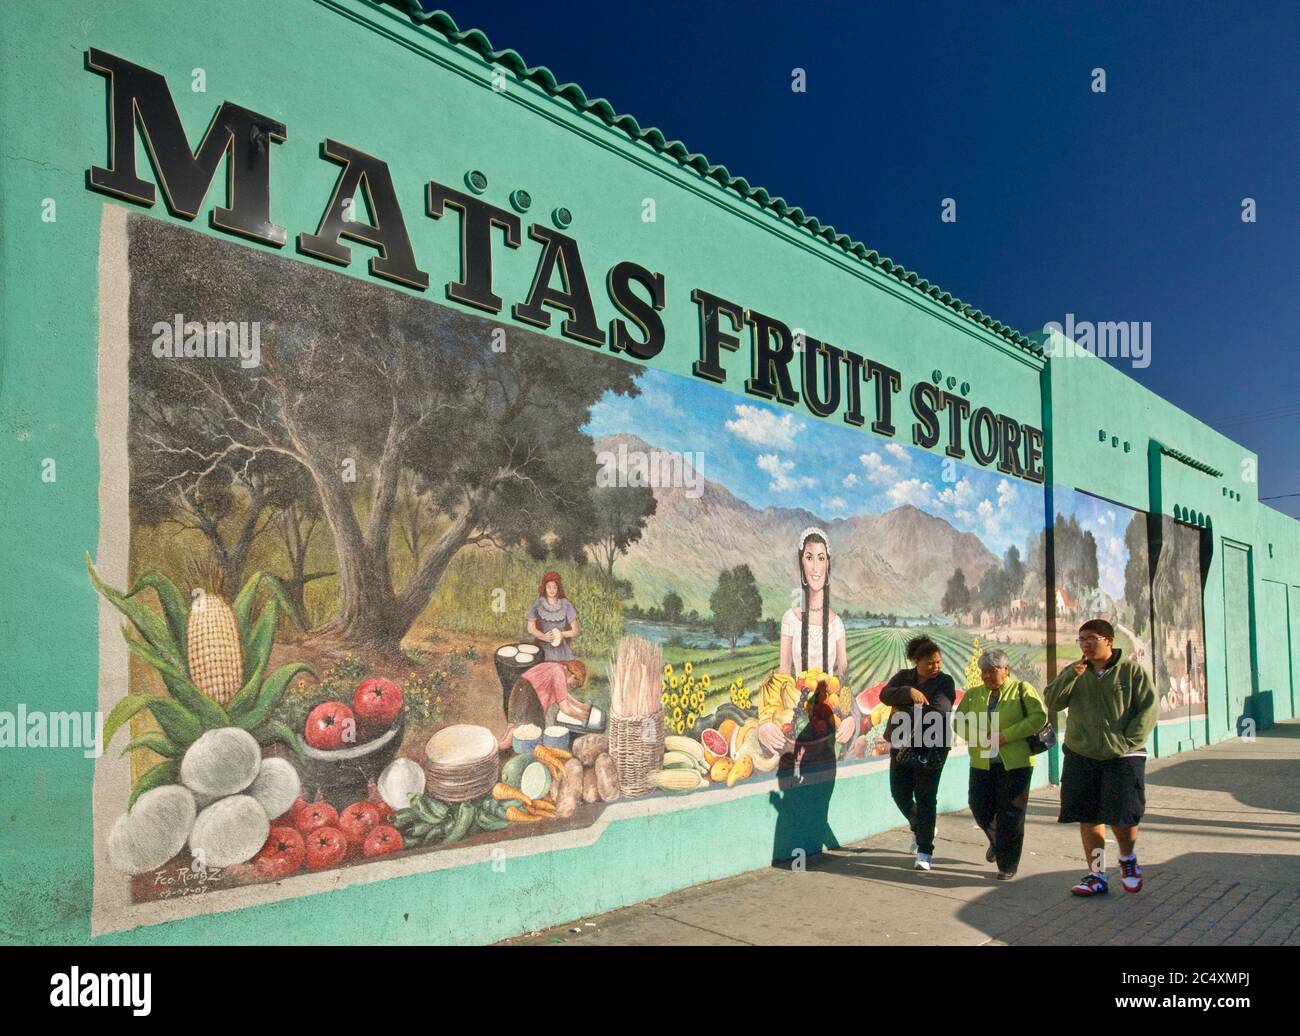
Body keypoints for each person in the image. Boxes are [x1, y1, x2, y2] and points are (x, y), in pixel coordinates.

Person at [1043, 618, 1158, 896]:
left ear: (1109, 640)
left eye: (1092, 638)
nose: (1086, 644)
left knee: (1123, 815)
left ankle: (1128, 860)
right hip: (1082, 754)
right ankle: (1097, 875)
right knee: (1089, 815)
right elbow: (1053, 701)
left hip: (1123, 755)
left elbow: (1148, 709)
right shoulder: (1075, 672)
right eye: (1081, 639)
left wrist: (1127, 742)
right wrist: (1071, 675)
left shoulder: (1131, 672)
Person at [759, 528, 855, 759]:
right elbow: (783, 676)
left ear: (828, 565)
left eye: (821, 558)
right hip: (797, 710)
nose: (815, 567)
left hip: (829, 711)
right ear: (801, 563)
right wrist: (766, 720)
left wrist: (849, 717)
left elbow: (844, 678)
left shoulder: (837, 623)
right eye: (809, 557)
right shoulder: (789, 619)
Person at [954, 649, 1047, 880]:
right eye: (983, 672)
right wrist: (979, 735)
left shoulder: (1022, 690)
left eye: (991, 671)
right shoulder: (974, 694)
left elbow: (1038, 717)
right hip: (982, 761)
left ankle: (1007, 864)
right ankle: (998, 842)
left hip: (1016, 762)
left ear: (1006, 670)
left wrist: (1006, 735)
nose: (986, 676)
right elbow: (958, 722)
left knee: (1011, 813)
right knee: (978, 805)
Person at [879, 635, 957, 871]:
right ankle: (919, 825)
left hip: (932, 747)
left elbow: (940, 711)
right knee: (899, 793)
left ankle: (925, 851)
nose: (935, 667)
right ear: (917, 662)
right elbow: (884, 695)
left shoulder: (945, 681)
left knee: (925, 797)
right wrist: (908, 692)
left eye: (938, 662)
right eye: (930, 663)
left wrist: (903, 708)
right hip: (902, 744)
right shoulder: (904, 677)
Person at [497, 659, 590, 750]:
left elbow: (564, 695)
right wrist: (581, 716)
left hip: (520, 690)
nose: (572, 687)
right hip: (530, 697)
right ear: (573, 676)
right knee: (525, 733)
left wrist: (580, 706)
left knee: (512, 729)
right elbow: (565, 708)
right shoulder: (559, 673)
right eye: (574, 684)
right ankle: (493, 751)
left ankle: (494, 747)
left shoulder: (557, 668)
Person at [526, 571, 580, 662]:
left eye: (554, 587)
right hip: (543, 646)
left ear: (558, 588)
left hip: (561, 649)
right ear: (544, 588)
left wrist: (561, 635)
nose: (552, 590)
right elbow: (530, 628)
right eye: (549, 587)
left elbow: (575, 630)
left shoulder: (566, 604)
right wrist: (544, 637)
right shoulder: (539, 603)